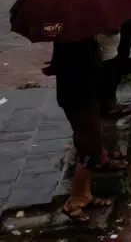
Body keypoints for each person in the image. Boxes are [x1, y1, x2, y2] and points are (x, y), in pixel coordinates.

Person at [49, 36, 125, 223]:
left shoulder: (75, 36)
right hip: (78, 98)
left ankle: (85, 194)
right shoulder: (75, 40)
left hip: (83, 96)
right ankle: (73, 201)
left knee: (88, 143)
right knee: (89, 149)